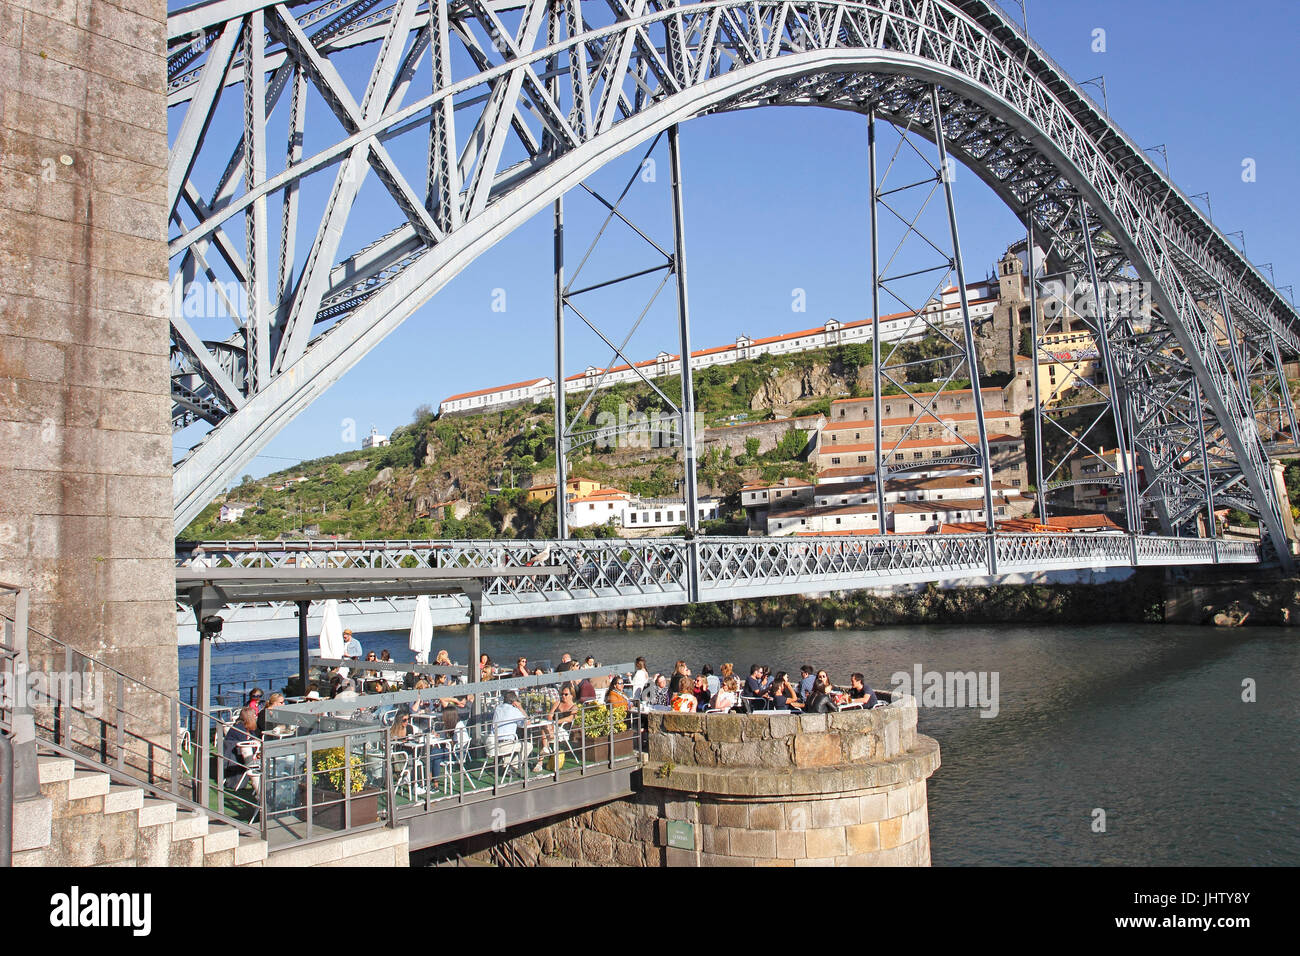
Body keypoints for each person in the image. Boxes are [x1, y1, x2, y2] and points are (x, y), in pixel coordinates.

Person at [536, 686, 580, 770]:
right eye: (562, 694)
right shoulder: (558, 703)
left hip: (562, 730)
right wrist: (551, 724)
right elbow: (550, 715)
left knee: (544, 731)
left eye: (566, 694)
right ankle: (546, 747)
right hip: (552, 728)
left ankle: (540, 761)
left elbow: (570, 718)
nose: (563, 696)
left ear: (572, 695)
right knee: (544, 726)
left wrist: (555, 722)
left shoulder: (574, 707)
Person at [222, 707, 261, 795]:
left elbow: (253, 739)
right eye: (254, 715)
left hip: (242, 755)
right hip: (236, 757)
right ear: (249, 717)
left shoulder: (247, 728)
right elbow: (245, 744)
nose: (256, 716)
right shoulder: (239, 729)